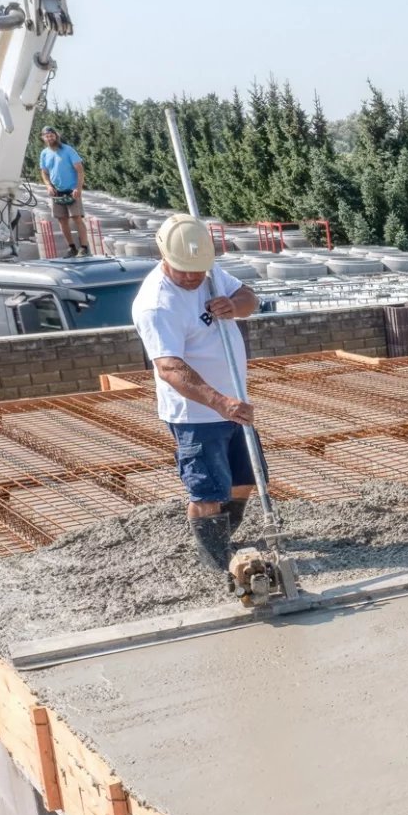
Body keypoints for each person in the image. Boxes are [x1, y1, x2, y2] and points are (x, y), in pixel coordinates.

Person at [131, 214, 263, 574]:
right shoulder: (157, 304)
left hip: (234, 405)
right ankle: (214, 562)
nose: (192, 277)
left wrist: (236, 306)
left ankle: (222, 538)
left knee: (245, 480)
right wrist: (221, 402)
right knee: (208, 492)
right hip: (198, 415)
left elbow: (250, 296)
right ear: (163, 256)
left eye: (198, 270)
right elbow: (170, 367)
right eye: (183, 270)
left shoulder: (209, 273)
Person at [37, 126, 87, 257]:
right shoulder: (44, 153)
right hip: (57, 192)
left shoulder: (68, 150)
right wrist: (48, 185)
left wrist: (78, 188)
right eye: (47, 136)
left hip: (72, 190)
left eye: (52, 135)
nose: (50, 138)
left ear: (56, 136)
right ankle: (71, 247)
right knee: (62, 219)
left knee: (77, 218)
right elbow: (44, 172)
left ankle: (84, 247)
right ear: (43, 138)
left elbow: (80, 170)